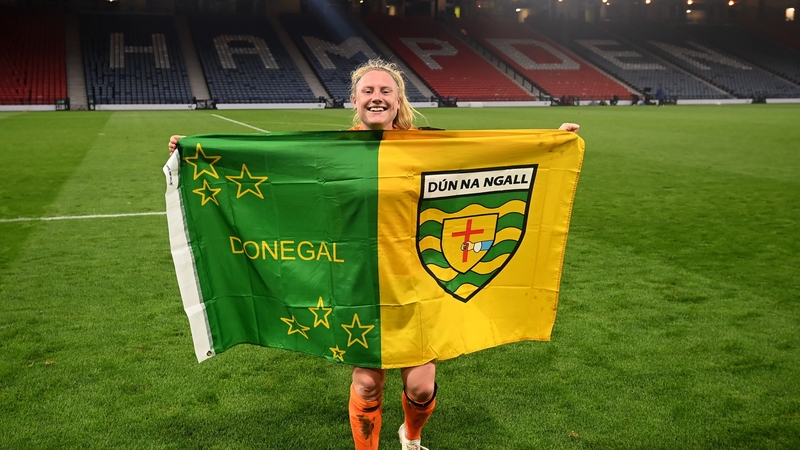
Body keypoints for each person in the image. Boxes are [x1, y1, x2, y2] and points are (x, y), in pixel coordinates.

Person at [168, 58, 579, 450]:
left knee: (419, 385)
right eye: (368, 90)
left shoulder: (427, 146)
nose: (376, 96)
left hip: (420, 280)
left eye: (386, 90)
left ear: (398, 101)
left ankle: (411, 436)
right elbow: (278, 175)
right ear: (355, 100)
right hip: (358, 279)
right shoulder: (334, 151)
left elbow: (487, 159)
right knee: (368, 384)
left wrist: (552, 143)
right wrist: (194, 152)